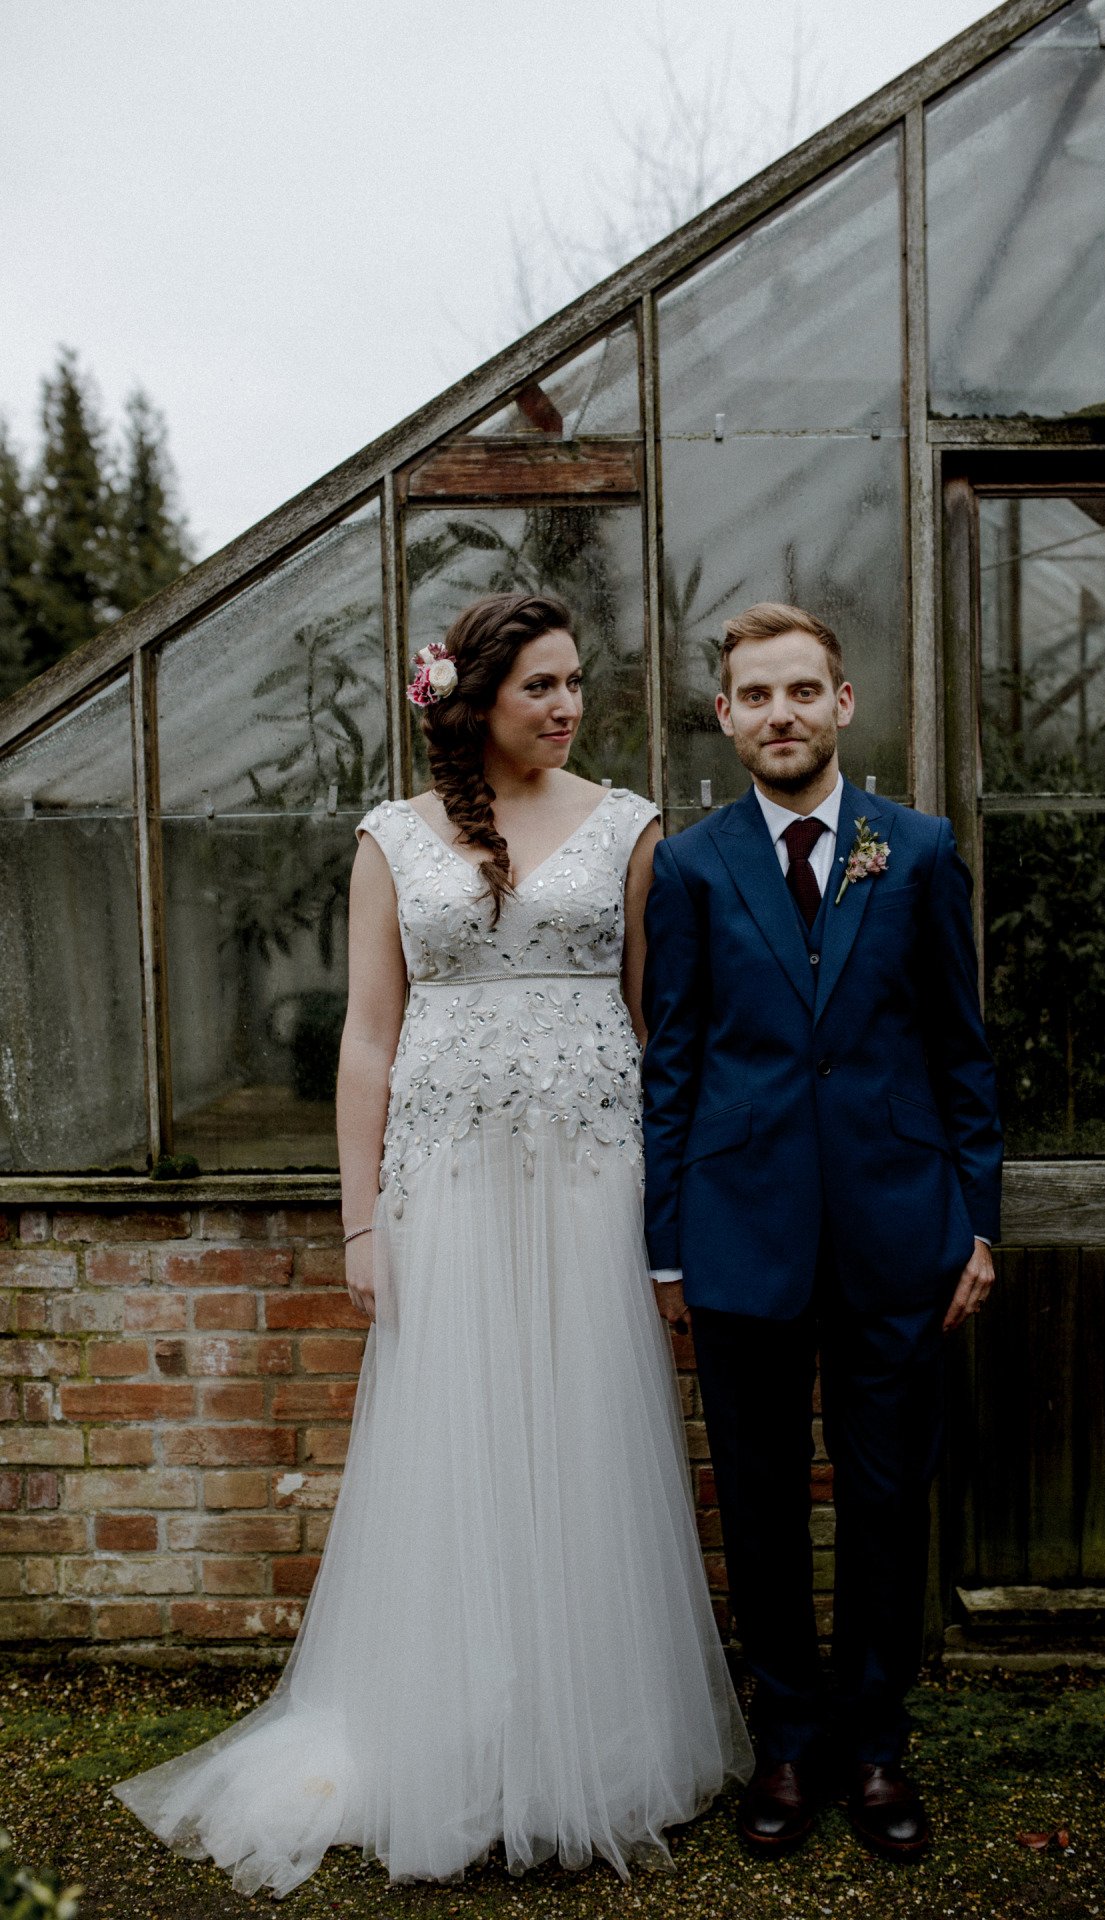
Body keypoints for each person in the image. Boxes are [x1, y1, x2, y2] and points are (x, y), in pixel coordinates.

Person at [114, 590, 750, 1896]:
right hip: (445, 1178)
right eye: (543, 687)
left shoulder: (630, 828)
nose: (569, 705)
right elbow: (364, 1035)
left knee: (581, 1438)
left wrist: (671, 1217)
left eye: (578, 683)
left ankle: (592, 1742)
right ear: (477, 699)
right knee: (459, 1441)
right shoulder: (390, 839)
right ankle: (451, 1738)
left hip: (589, 1170)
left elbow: (655, 1020)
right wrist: (358, 1218)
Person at [641, 602, 1002, 1861]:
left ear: (841, 705)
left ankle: (875, 1746)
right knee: (756, 1499)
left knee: (887, 1497)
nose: (779, 714)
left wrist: (975, 1223)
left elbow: (961, 1052)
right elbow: (672, 1062)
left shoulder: (915, 850)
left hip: (899, 1232)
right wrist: (667, 1243)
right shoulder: (690, 869)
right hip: (739, 1239)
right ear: (726, 717)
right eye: (755, 696)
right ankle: (786, 1744)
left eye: (802, 691)